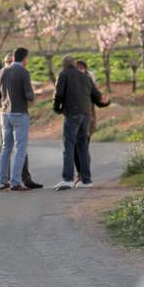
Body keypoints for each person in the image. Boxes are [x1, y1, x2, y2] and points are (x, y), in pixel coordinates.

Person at [0, 51, 44, 190]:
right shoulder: (24, 72)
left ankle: (3, 181)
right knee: (20, 149)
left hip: (4, 113)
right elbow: (28, 94)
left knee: (6, 148)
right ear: (24, 58)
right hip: (19, 113)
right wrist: (35, 94)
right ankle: (15, 181)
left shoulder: (1, 72)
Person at [53, 55, 103, 191]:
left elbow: (59, 94)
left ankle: (67, 179)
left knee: (69, 146)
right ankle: (86, 180)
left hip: (72, 113)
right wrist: (105, 103)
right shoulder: (86, 77)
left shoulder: (64, 74)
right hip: (86, 114)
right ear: (74, 64)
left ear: (64, 65)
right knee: (82, 147)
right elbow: (97, 96)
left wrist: (57, 109)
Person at [72, 60, 110, 185]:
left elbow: (98, 100)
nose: (80, 71)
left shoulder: (89, 83)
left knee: (82, 147)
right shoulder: (70, 83)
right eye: (77, 68)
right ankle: (80, 174)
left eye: (82, 68)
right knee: (74, 149)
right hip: (73, 120)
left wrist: (105, 102)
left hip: (88, 120)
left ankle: (84, 176)